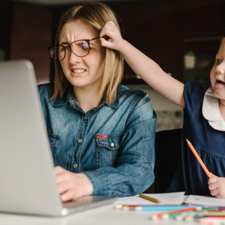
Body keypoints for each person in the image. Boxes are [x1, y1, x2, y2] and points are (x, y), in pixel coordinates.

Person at [38, 3, 156, 202]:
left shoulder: (134, 106)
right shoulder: (39, 99)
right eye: (64, 48)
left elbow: (140, 172)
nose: (72, 59)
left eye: (84, 46)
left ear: (108, 50)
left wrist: (88, 182)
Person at [100, 21, 225, 198]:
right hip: (186, 212)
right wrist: (121, 44)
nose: (219, 69)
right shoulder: (197, 100)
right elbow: (156, 75)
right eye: (218, 61)